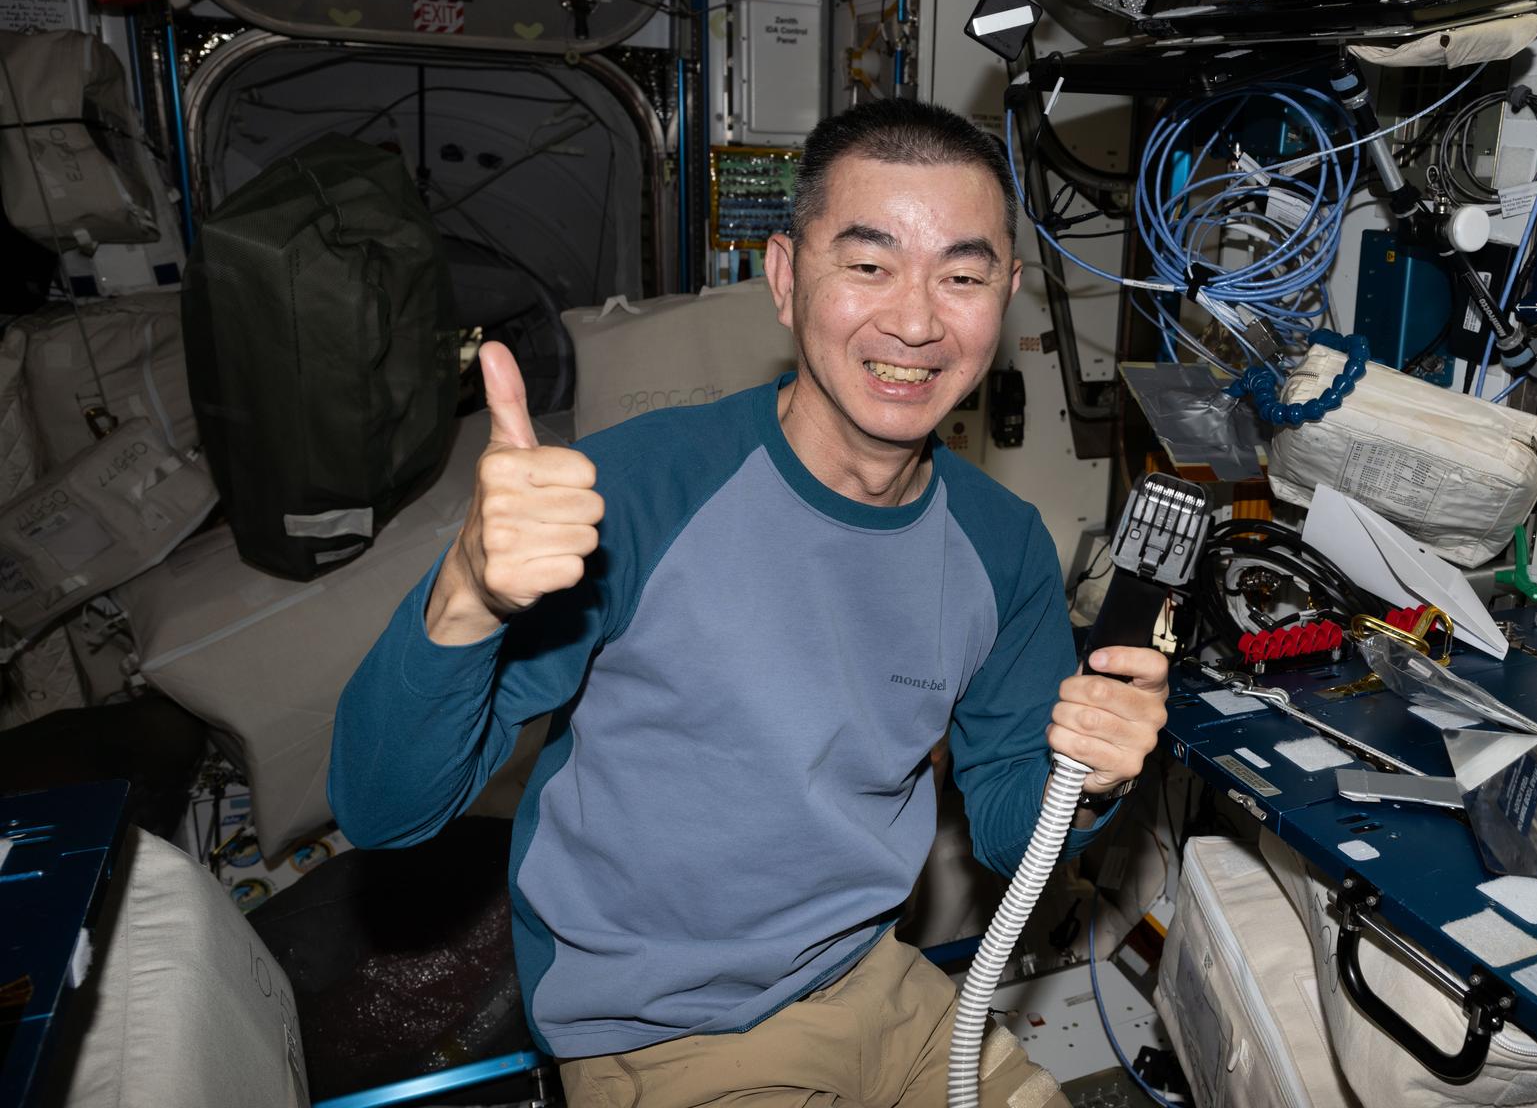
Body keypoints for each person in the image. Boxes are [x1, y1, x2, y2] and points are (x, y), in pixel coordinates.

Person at [328, 98, 1170, 1108]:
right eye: (868, 264)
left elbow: (1004, 827)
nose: (915, 320)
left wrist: (1089, 780)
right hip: (671, 1029)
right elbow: (384, 811)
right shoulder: (634, 493)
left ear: (1008, 296)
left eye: (962, 275)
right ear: (783, 276)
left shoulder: (1002, 541)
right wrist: (464, 596)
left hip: (881, 984)